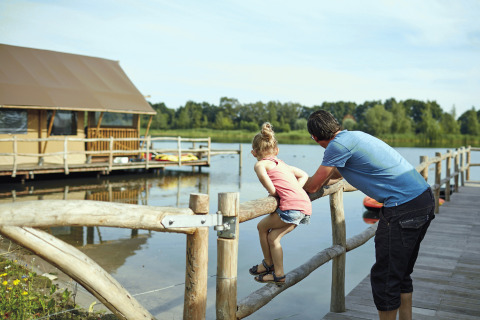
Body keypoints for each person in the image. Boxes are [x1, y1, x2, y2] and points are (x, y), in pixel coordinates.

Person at [303, 110, 435, 320]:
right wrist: (322, 180)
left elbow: (313, 186)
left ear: (315, 137)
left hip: (403, 208)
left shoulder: (335, 146)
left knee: (386, 278)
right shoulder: (353, 137)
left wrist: (293, 189)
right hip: (423, 198)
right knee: (400, 273)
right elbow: (334, 174)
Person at [249, 122, 312, 286]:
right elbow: (304, 175)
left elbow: (272, 190)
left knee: (261, 227)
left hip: (291, 208)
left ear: (253, 152)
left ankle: (267, 264)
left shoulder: (260, 164)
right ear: (276, 151)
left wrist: (278, 193)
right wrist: (296, 190)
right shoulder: (283, 164)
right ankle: (279, 274)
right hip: (305, 207)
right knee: (273, 237)